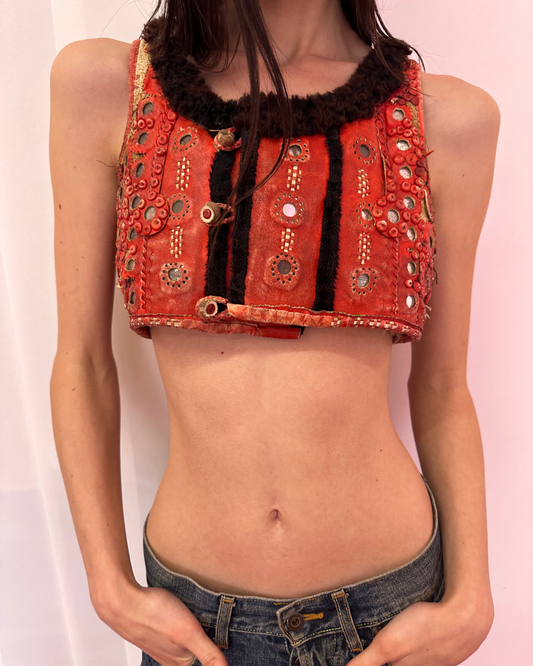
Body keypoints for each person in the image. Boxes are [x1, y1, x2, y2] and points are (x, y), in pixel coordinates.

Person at [49, 1, 500, 665]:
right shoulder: (108, 85)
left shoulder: (448, 118)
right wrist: (108, 583)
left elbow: (441, 387)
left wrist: (471, 599)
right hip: (195, 627)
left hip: (389, 616)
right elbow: (83, 363)